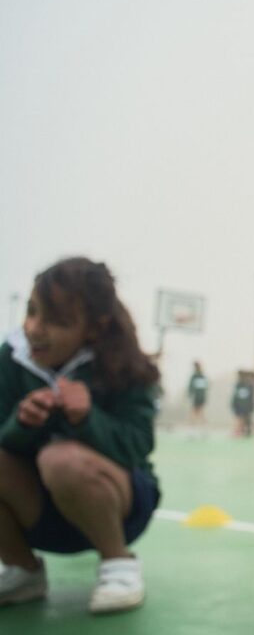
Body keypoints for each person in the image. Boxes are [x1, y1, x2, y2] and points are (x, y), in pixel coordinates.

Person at [0, 257, 162, 614]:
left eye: (55, 320)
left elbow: (139, 445)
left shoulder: (124, 364)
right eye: (31, 312)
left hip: (120, 508)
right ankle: (21, 569)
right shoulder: (12, 358)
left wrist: (88, 419)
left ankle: (118, 563)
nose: (34, 328)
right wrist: (22, 423)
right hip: (40, 513)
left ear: (93, 327)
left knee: (60, 459)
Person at [231, 369, 254, 437]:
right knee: (241, 419)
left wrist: (250, 405)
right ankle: (240, 431)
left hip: (245, 406)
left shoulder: (248, 385)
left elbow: (250, 397)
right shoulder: (239, 384)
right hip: (240, 406)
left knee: (245, 419)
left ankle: (242, 431)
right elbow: (236, 396)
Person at [187, 360, 208, 425]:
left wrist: (190, 393)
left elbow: (205, 386)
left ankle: (196, 424)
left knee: (197, 411)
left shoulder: (198, 376)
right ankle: (197, 424)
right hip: (199, 396)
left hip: (199, 396)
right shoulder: (200, 375)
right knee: (198, 411)